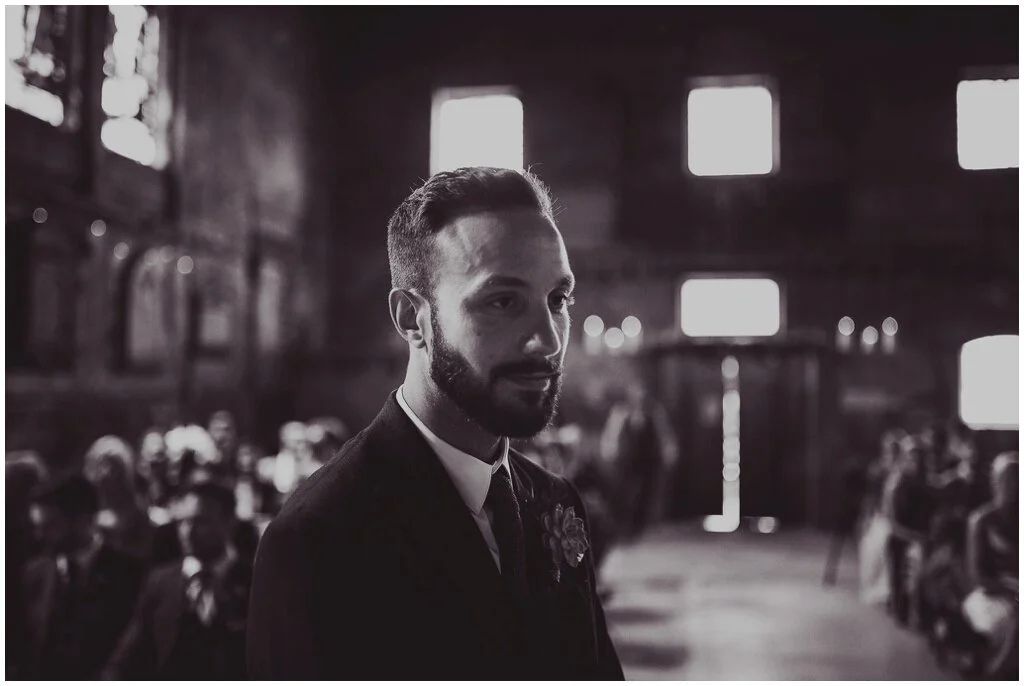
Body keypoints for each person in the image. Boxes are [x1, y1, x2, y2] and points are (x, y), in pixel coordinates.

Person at [247, 167, 623, 680]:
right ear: (411, 319)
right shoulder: (317, 541)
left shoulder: (555, 501)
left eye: (557, 300)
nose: (549, 340)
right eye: (503, 301)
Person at [105, 478, 251, 679]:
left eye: (200, 522)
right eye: (182, 522)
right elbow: (130, 652)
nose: (187, 531)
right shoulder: (160, 582)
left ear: (230, 523)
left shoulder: (253, 581)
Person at [16, 473, 145, 679]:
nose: (40, 536)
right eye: (37, 527)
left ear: (84, 520)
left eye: (50, 526)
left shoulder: (131, 575)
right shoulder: (34, 574)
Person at [962, 452, 1018, 678]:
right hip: (990, 595)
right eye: (1008, 479)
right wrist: (1011, 588)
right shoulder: (982, 520)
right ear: (995, 482)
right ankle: (994, 674)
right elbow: (978, 577)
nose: (1014, 486)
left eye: (1019, 479)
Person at [84, 436, 154, 561]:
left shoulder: (136, 509)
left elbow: (144, 550)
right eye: (103, 465)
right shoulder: (91, 508)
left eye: (113, 466)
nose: (107, 472)